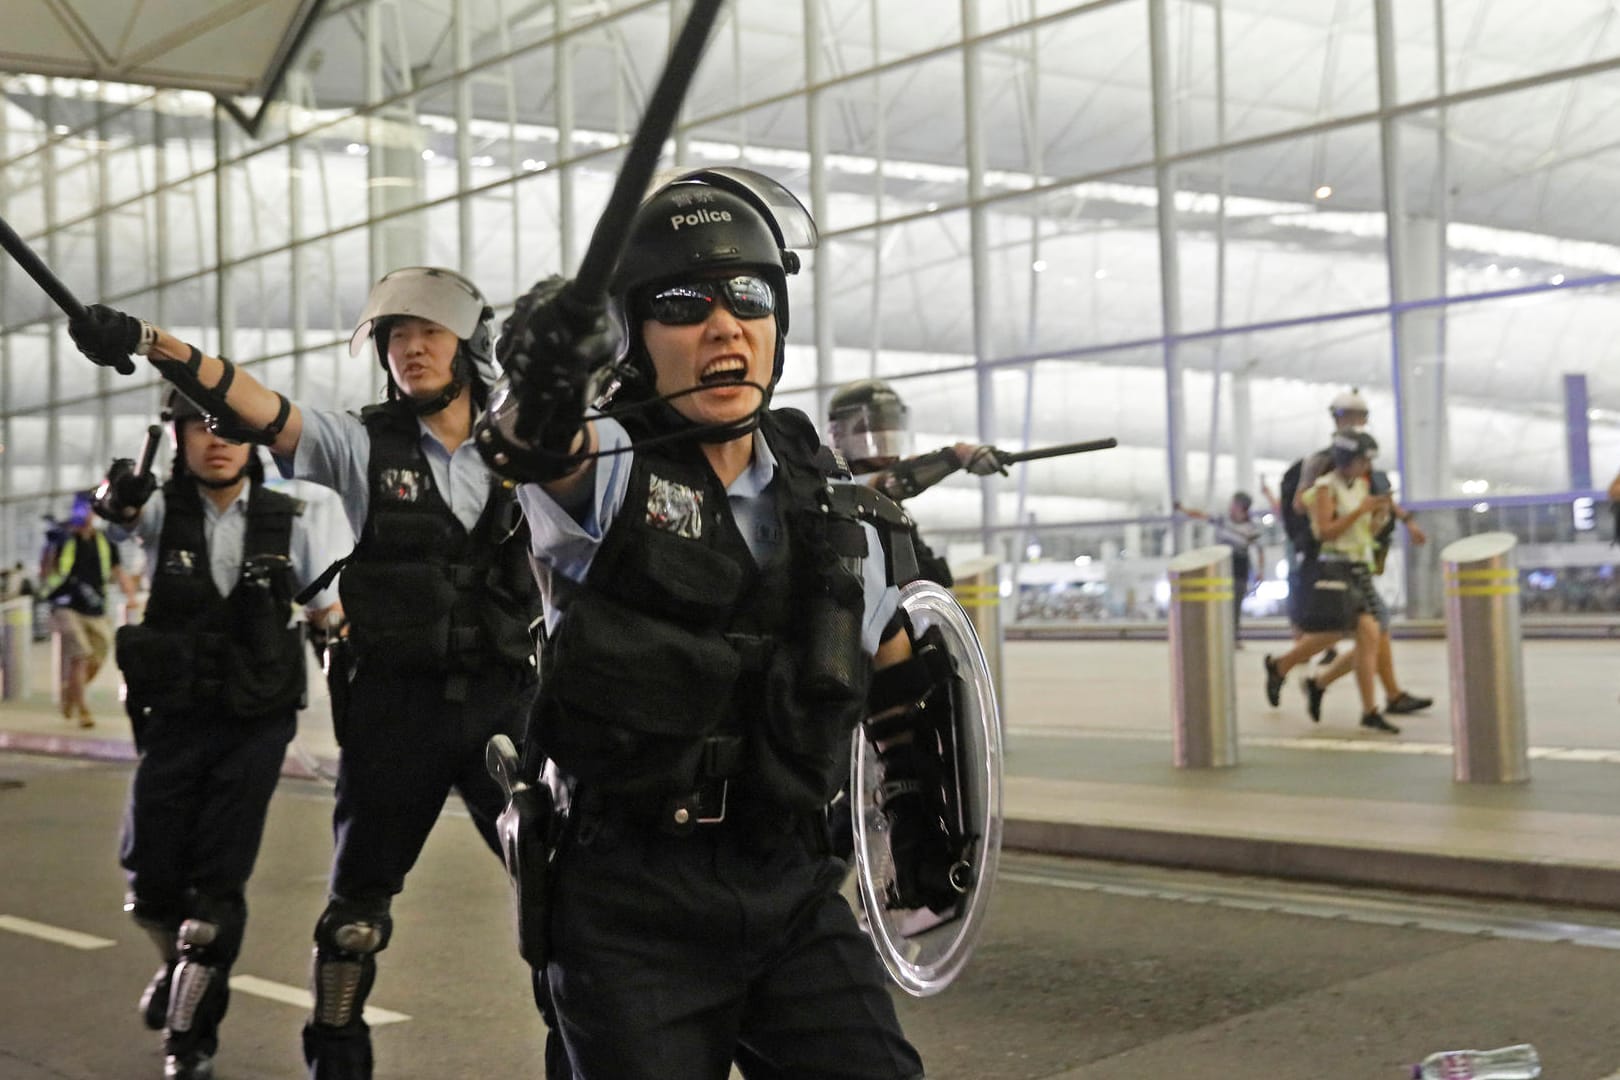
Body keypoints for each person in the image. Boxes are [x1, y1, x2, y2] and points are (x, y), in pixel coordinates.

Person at [480, 167, 931, 1078]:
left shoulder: (836, 507)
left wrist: (927, 827)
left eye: (749, 298)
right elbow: (534, 446)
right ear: (638, 340)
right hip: (630, 896)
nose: (725, 325)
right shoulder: (606, 467)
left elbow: (899, 673)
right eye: (683, 304)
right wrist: (545, 369)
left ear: (776, 327)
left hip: (790, 882)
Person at [65, 266, 544, 1080]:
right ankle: (335, 1054)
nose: (410, 349)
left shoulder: (529, 443)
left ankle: (588, 1045)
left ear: (472, 345)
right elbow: (256, 408)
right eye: (395, 337)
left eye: (428, 332)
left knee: (567, 898)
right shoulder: (360, 443)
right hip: (396, 708)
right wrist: (151, 343)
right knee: (355, 919)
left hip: (509, 703)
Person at [93, 390, 345, 1080]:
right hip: (172, 720)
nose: (217, 439)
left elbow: (328, 613)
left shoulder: (289, 519)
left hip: (256, 724)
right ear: (175, 438)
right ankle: (178, 968)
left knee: (215, 889)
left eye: (230, 427)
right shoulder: (156, 510)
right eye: (198, 426)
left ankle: (191, 1036)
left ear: (254, 440)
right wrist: (113, 496)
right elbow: (114, 519)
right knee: (150, 883)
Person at [1263, 432, 1403, 733]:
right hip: (1333, 569)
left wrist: (1378, 515)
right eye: (1363, 459)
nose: (1367, 466)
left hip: (1358, 568)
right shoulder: (1324, 488)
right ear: (1347, 460)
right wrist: (1360, 511)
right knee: (1336, 633)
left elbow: (1366, 531)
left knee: (1368, 636)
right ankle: (1290, 670)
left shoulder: (1362, 485)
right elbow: (1325, 531)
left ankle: (1359, 704)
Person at [825, 377, 1003, 586]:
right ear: (839, 433)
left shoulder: (895, 510)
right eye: (871, 427)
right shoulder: (836, 488)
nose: (885, 437)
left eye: (890, 426)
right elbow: (892, 481)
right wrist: (957, 456)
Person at [38, 490, 138, 727]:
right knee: (80, 654)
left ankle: (71, 690)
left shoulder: (104, 541)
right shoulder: (63, 538)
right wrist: (52, 546)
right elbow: (46, 572)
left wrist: (131, 595)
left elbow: (117, 570)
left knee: (100, 654)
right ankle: (83, 708)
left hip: (95, 607)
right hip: (66, 605)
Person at [1173, 491, 1263, 643]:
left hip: (1239, 569)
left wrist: (1260, 570)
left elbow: (1260, 549)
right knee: (1219, 604)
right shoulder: (1223, 520)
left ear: (1241, 507)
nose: (1230, 507)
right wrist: (1183, 509)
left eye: (1233, 504)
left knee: (1235, 605)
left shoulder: (1251, 528)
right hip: (1221, 568)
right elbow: (1201, 515)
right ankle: (1218, 636)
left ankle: (1233, 637)